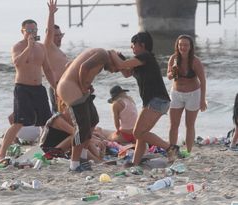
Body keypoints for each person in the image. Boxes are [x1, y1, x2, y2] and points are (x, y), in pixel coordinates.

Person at [109, 31, 179, 166]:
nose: (132, 48)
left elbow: (122, 66)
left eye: (133, 45)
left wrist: (112, 54)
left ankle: (170, 148)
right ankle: (135, 163)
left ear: (142, 45)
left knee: (138, 132)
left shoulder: (146, 56)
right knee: (141, 134)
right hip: (154, 102)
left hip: (157, 100)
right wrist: (121, 58)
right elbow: (126, 73)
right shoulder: (140, 61)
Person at [0, 19, 56, 162]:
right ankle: (1, 155)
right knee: (18, 122)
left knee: (46, 122)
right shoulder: (18, 46)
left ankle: (42, 150)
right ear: (22, 31)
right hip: (23, 88)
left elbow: (47, 69)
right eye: (29, 31)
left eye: (34, 30)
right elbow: (17, 63)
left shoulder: (41, 48)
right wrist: (28, 47)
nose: (32, 33)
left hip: (38, 89)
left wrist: (55, 87)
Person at [56, 48, 123, 172]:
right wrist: (82, 86)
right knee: (82, 127)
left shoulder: (100, 56)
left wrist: (87, 84)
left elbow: (70, 65)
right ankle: (74, 164)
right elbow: (84, 67)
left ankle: (83, 156)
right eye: (116, 68)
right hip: (70, 88)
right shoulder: (103, 54)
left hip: (74, 86)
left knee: (93, 119)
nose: (113, 71)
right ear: (115, 58)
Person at [167, 34, 207, 152]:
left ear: (190, 47)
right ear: (177, 46)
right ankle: (172, 151)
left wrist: (202, 100)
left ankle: (188, 151)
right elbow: (169, 76)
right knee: (173, 125)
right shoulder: (173, 58)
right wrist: (174, 70)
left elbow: (203, 81)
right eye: (180, 45)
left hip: (193, 94)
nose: (183, 47)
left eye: (185, 45)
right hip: (176, 94)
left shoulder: (195, 61)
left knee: (189, 125)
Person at [39, 97, 105, 162]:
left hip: (62, 150)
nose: (75, 113)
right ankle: (99, 162)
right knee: (77, 137)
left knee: (85, 142)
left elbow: (86, 135)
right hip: (47, 153)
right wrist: (94, 140)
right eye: (72, 110)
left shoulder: (74, 121)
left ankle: (99, 158)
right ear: (63, 107)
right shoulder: (58, 119)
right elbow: (78, 134)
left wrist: (98, 141)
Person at [44, 0, 69, 113]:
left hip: (65, 87)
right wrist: (51, 13)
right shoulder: (48, 47)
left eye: (60, 35)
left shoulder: (57, 51)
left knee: (68, 117)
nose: (59, 37)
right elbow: (49, 32)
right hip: (56, 87)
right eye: (56, 35)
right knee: (61, 117)